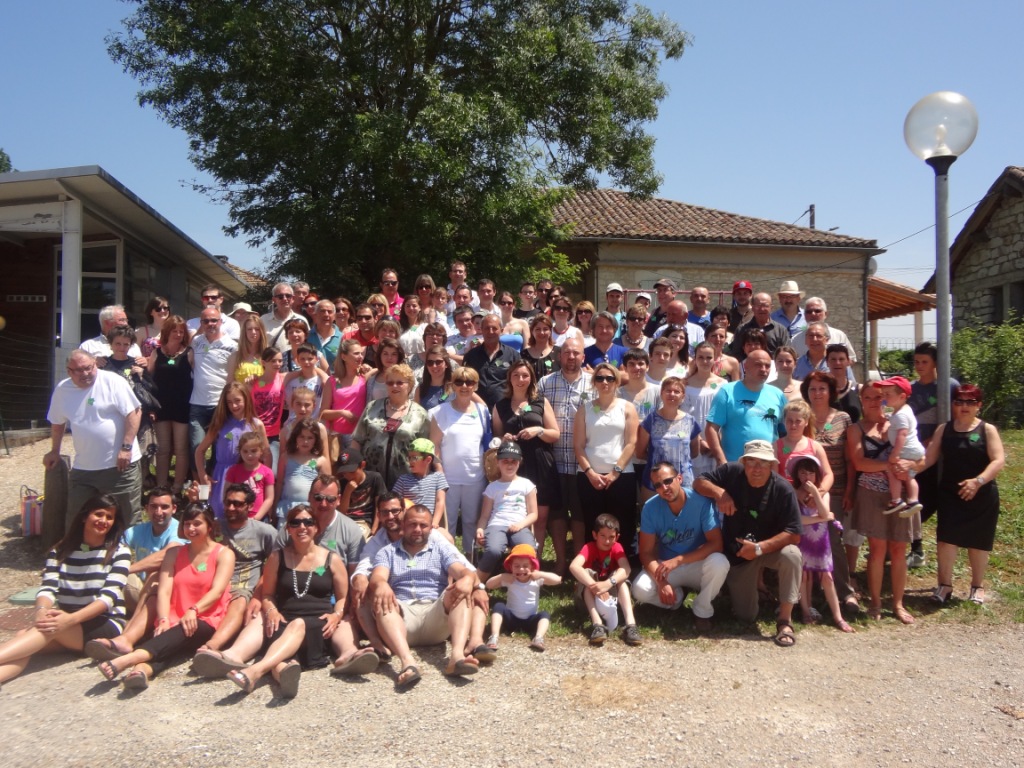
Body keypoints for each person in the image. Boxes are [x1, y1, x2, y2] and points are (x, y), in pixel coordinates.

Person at [97, 502, 234, 689]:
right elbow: (164, 590)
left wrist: (194, 610)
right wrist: (162, 618)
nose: (191, 529)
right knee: (168, 640)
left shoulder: (224, 554)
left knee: (181, 630)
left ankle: (128, 660)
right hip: (175, 616)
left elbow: (217, 591)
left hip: (206, 617)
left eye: (197, 524)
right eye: (187, 524)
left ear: (209, 526)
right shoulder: (174, 553)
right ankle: (142, 671)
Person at [0, 496, 130, 689]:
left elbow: (107, 599)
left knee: (43, 632)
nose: (103, 521)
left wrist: (70, 620)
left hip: (104, 622)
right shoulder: (61, 550)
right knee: (25, 641)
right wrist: (41, 611)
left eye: (109, 517)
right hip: (67, 621)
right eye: (99, 514)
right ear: (84, 517)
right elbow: (48, 587)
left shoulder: (119, 552)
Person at [219, 504, 347, 697]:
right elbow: (268, 594)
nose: (302, 527)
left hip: (318, 624)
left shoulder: (332, 559)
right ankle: (284, 677)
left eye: (308, 522)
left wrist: (337, 615)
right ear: (288, 528)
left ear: (316, 527)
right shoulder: (277, 557)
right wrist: (272, 611)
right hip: (283, 619)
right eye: (295, 523)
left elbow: (343, 597)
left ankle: (254, 671)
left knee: (297, 624)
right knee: (283, 661)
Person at [693, 439, 802, 646]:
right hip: (739, 556)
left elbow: (794, 533)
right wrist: (720, 493)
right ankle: (753, 595)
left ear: (772, 464)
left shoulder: (783, 489)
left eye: (763, 462)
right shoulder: (732, 472)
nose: (757, 468)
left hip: (767, 550)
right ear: (743, 463)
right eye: (751, 462)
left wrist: (759, 548)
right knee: (746, 616)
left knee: (792, 554)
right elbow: (698, 482)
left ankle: (785, 621)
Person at [368, 505, 483, 686]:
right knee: (383, 600)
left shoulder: (440, 550)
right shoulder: (387, 552)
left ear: (431, 528)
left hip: (435, 617)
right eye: (412, 524)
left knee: (460, 590)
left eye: (423, 525)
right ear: (403, 525)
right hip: (402, 621)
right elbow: (377, 577)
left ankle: (457, 657)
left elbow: (463, 571)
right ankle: (408, 663)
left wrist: (468, 579)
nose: (417, 529)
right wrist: (381, 584)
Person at [920, 385, 1005, 606]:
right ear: (953, 405)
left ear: (979, 405)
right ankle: (944, 586)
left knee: (978, 542)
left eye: (970, 402)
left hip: (982, 494)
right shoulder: (944, 429)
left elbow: (998, 460)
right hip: (950, 494)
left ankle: (977, 586)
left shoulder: (987, 430)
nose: (964, 406)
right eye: (959, 401)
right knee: (946, 540)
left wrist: (978, 481)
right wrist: (907, 470)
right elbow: (928, 458)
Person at [44, 350, 142, 528]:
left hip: (120, 465)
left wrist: (126, 447)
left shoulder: (113, 381)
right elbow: (57, 422)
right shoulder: (63, 390)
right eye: (79, 370)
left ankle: (128, 546)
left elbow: (134, 412)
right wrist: (54, 451)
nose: (85, 373)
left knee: (126, 518)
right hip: (84, 468)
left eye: (89, 368)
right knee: (76, 516)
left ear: (95, 364)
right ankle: (77, 546)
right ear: (69, 371)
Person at [631, 462, 729, 631]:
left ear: (679, 478)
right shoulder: (650, 508)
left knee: (720, 562)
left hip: (696, 563)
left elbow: (716, 544)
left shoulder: (702, 502)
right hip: (667, 567)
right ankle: (675, 599)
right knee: (640, 590)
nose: (664, 488)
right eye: (658, 485)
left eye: (668, 481)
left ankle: (702, 609)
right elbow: (646, 553)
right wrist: (661, 582)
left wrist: (678, 560)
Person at [847, 384, 915, 624]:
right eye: (868, 397)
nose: (875, 401)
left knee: (899, 549)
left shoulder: (899, 422)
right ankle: (875, 602)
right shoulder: (855, 429)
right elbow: (859, 463)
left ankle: (898, 603)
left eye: (879, 397)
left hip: (902, 493)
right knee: (877, 550)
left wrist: (910, 465)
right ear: (861, 400)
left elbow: (919, 454)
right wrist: (889, 465)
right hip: (871, 493)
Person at [801, 371, 859, 613]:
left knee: (833, 540)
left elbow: (850, 460)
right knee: (809, 541)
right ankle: (813, 593)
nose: (817, 393)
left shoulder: (843, 418)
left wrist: (850, 491)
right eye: (812, 389)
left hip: (835, 490)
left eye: (822, 389)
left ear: (831, 392)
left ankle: (845, 592)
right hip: (805, 493)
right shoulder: (802, 417)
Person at [492, 360, 560, 564]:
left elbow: (555, 434)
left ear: (531, 378)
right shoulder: (500, 405)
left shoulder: (540, 402)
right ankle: (518, 560)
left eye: (525, 375)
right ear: (509, 378)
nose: (520, 379)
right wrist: (504, 438)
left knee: (540, 516)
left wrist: (538, 430)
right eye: (516, 375)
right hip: (514, 466)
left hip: (540, 463)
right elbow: (496, 437)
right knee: (516, 513)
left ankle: (534, 561)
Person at [538, 338, 592, 573]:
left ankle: (578, 563)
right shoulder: (545, 383)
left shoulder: (593, 383)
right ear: (559, 356)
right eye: (567, 352)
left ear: (583, 357)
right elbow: (534, 412)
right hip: (554, 461)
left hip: (583, 462)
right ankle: (560, 561)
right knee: (557, 515)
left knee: (580, 515)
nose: (571, 357)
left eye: (576, 353)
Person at [573, 361, 639, 552]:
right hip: (589, 477)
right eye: (600, 378)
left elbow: (631, 443)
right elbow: (578, 445)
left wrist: (615, 473)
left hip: (621, 475)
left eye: (609, 378)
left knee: (623, 524)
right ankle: (594, 565)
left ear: (617, 382)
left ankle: (623, 564)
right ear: (594, 382)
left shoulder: (627, 407)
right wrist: (590, 473)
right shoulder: (584, 409)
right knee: (593, 525)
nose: (605, 382)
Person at [785, 454, 853, 632]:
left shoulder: (824, 494)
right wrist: (822, 518)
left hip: (822, 542)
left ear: (817, 475)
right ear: (797, 474)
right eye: (802, 473)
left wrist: (815, 493)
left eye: (810, 473)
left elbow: (824, 512)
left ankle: (838, 617)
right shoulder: (794, 494)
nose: (806, 477)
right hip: (803, 540)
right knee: (804, 576)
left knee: (827, 577)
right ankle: (806, 611)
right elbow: (799, 520)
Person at [907, 341, 958, 568]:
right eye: (916, 362)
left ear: (936, 363)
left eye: (924, 362)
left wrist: (935, 440)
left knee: (936, 499)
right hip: (915, 454)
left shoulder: (950, 386)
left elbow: (957, 417)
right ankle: (915, 547)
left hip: (942, 454)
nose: (919, 366)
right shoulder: (910, 389)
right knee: (913, 501)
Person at [430, 366, 490, 554]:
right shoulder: (439, 412)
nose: (464, 386)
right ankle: (447, 561)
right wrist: (440, 473)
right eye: (459, 382)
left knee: (472, 522)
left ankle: (470, 560)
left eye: (469, 382)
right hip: (448, 479)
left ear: (476, 386)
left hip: (475, 477)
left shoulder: (483, 411)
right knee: (447, 524)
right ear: (452, 385)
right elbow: (434, 445)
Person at [193, 381, 268, 518]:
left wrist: (264, 475)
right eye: (229, 402)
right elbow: (200, 451)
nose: (234, 406)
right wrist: (203, 476)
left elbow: (266, 454)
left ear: (246, 399)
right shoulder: (220, 424)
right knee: (221, 514)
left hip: (247, 475)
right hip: (223, 476)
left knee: (245, 514)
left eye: (237, 401)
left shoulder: (256, 425)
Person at [352, 362, 431, 488]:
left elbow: (425, 452)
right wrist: (355, 469)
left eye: (400, 382)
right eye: (390, 383)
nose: (394, 386)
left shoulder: (420, 414)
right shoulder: (372, 407)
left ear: (410, 385)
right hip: (370, 478)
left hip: (405, 481)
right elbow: (357, 440)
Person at [568, 514, 642, 647]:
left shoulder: (617, 547)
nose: (607, 541)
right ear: (595, 535)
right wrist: (595, 586)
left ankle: (631, 625)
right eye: (603, 536)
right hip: (588, 598)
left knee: (620, 576)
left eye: (611, 537)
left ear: (617, 537)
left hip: (610, 597)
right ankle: (597, 625)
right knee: (587, 573)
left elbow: (626, 568)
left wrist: (608, 584)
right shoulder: (589, 547)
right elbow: (574, 566)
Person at [705, 349, 789, 464]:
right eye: (758, 365)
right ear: (745, 367)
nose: (763, 369)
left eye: (767, 366)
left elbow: (787, 432)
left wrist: (785, 457)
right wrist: (721, 461)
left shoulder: (778, 395)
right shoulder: (727, 391)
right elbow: (711, 429)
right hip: (735, 465)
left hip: (768, 465)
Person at [474, 441, 538, 581]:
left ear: (519, 462)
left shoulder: (527, 484)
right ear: (498, 462)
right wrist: (480, 528)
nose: (509, 465)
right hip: (496, 525)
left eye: (513, 461)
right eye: (505, 461)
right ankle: (475, 581)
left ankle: (525, 584)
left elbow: (534, 514)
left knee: (528, 549)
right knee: (494, 550)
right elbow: (484, 515)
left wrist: (521, 525)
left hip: (519, 525)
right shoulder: (492, 487)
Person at [485, 543, 561, 652]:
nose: (521, 569)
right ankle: (494, 636)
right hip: (510, 618)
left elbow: (557, 580)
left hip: (530, 620)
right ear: (511, 567)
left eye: (525, 566)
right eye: (516, 566)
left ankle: (538, 638)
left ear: (532, 567)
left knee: (544, 614)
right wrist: (502, 576)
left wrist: (540, 574)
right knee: (498, 606)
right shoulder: (510, 580)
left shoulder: (536, 580)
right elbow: (489, 585)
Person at [120, 487, 187, 611]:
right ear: (146, 509)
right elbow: (114, 550)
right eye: (154, 506)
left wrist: (125, 570)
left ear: (174, 509)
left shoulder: (180, 531)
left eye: (164, 507)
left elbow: (166, 555)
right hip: (142, 586)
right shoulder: (137, 531)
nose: (158, 512)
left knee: (153, 576)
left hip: (168, 591)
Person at [189, 306, 238, 473]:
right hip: (197, 404)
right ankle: (200, 484)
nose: (210, 324)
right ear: (201, 323)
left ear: (221, 321)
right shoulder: (196, 341)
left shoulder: (232, 345)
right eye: (206, 321)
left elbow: (233, 375)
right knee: (196, 447)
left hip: (220, 405)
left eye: (214, 320)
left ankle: (214, 482)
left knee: (219, 449)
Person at [147, 315, 193, 493]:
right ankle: (161, 485)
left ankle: (177, 487)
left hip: (182, 406)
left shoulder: (189, 353)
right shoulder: (156, 353)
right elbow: (149, 377)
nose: (178, 334)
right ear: (167, 332)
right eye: (175, 331)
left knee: (181, 449)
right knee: (163, 449)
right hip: (162, 406)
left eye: (181, 331)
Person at [635, 376, 700, 496]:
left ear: (683, 396)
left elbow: (694, 452)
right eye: (668, 390)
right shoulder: (650, 420)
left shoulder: (690, 421)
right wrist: (658, 461)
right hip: (655, 484)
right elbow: (640, 453)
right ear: (661, 394)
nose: (672, 394)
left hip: (684, 483)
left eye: (677, 391)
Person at [871, 377, 926, 517]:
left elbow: (902, 434)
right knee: (909, 476)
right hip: (913, 449)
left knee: (892, 470)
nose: (884, 398)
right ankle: (913, 500)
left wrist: (895, 453)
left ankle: (896, 500)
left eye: (887, 394)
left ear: (902, 396)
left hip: (905, 449)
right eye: (883, 394)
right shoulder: (903, 410)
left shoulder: (900, 415)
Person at [274, 417, 331, 527]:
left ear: (316, 440)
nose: (305, 441)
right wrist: (274, 507)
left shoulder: (321, 461)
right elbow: (279, 483)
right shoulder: (286, 457)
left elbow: (327, 489)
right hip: (287, 508)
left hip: (310, 510)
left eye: (310, 438)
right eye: (302, 437)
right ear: (295, 437)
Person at [683, 341, 728, 479]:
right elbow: (684, 416)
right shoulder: (686, 384)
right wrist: (700, 441)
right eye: (701, 357)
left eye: (709, 357)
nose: (705, 361)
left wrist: (716, 443)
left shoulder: (723, 384)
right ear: (695, 359)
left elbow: (726, 415)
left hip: (718, 441)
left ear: (714, 359)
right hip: (694, 441)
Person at [320, 339, 369, 456]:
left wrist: (369, 368)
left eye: (361, 353)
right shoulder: (332, 381)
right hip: (336, 436)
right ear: (344, 356)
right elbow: (323, 413)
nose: (360, 357)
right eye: (356, 353)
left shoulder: (364, 377)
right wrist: (342, 413)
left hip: (358, 436)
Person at [463, 313, 521, 409]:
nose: (490, 332)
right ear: (481, 330)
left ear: (501, 331)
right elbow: (464, 382)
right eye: (487, 328)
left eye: (494, 328)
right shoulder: (471, 356)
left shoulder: (513, 355)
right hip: (476, 409)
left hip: (505, 409)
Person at [392, 438, 449, 530]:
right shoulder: (403, 479)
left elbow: (440, 501)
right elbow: (394, 500)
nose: (410, 461)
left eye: (414, 458)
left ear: (428, 460)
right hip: (407, 524)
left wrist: (434, 523)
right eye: (409, 457)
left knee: (448, 537)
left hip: (428, 524)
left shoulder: (438, 477)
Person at [335, 446, 388, 536]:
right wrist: (347, 492)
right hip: (345, 521)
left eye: (352, 472)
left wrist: (374, 528)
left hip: (364, 521)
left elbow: (379, 505)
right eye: (344, 473)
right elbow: (341, 513)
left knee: (356, 537)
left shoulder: (375, 478)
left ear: (362, 465)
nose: (348, 476)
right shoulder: (342, 483)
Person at [223, 432, 275, 521]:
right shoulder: (233, 471)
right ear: (240, 451)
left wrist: (256, 518)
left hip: (260, 517)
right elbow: (226, 494)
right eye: (245, 451)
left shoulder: (267, 472)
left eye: (254, 451)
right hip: (238, 516)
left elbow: (269, 498)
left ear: (261, 451)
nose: (249, 455)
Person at [790, 297, 857, 363]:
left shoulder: (839, 336)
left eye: (817, 311)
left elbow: (851, 358)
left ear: (826, 314)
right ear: (804, 315)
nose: (813, 314)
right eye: (809, 312)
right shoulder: (796, 340)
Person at [251, 347, 286, 470]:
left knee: (272, 472)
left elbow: (306, 370)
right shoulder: (252, 383)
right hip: (254, 434)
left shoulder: (284, 378)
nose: (277, 364)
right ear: (263, 362)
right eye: (273, 361)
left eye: (280, 361)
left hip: (273, 436)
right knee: (253, 468)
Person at [731, 292, 790, 360]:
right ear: (752, 307)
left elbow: (786, 353)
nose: (762, 309)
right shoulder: (742, 329)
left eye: (765, 305)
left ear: (771, 307)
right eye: (758, 305)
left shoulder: (781, 330)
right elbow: (736, 355)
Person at [261, 282, 308, 352]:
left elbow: (307, 344)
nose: (285, 299)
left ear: (293, 298)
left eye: (288, 296)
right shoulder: (263, 320)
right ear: (274, 300)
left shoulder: (301, 320)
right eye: (280, 296)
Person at [227, 314, 267, 386]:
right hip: (241, 393)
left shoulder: (267, 356)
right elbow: (230, 386)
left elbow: (273, 382)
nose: (253, 332)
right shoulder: (235, 357)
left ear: (261, 331)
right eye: (249, 329)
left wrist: (259, 380)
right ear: (244, 332)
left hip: (262, 393)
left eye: (257, 329)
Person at [520, 313, 561, 381]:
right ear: (532, 331)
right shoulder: (523, 355)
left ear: (550, 331)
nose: (542, 332)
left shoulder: (559, 353)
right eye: (538, 329)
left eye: (545, 329)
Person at [416, 344, 454, 410]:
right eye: (430, 362)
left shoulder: (457, 385)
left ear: (446, 364)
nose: (434, 366)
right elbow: (415, 413)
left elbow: (472, 405)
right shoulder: (420, 389)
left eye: (438, 362)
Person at [308, 299, 343, 368]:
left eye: (329, 312)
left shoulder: (342, 338)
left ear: (334, 316)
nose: (326, 314)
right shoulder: (306, 337)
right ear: (315, 314)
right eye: (322, 311)